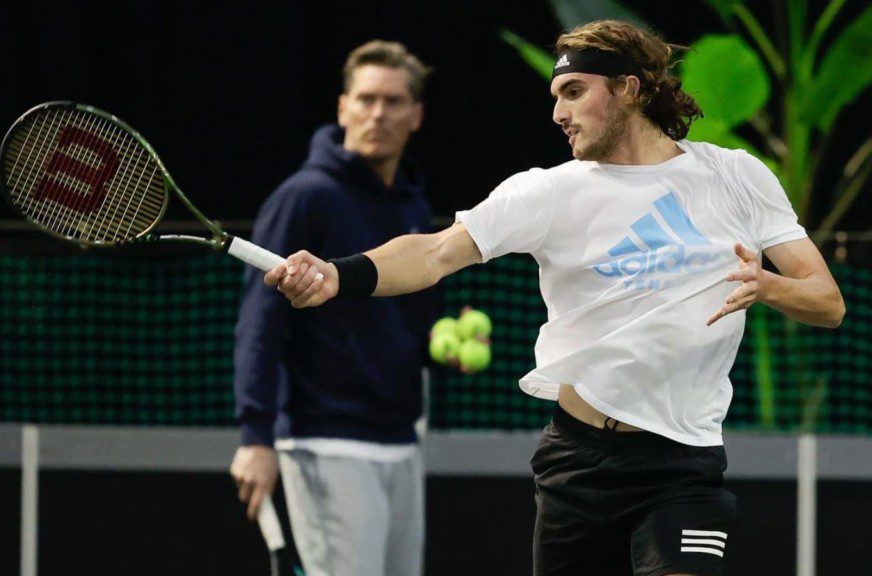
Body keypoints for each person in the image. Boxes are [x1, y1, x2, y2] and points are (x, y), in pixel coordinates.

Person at [264, 20, 846, 576]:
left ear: (628, 89)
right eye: (555, 96)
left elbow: (827, 301)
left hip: (681, 465)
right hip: (577, 463)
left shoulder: (737, 177)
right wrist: (340, 275)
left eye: (573, 91)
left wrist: (769, 286)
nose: (558, 114)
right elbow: (435, 252)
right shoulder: (547, 192)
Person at [229, 40, 435, 576]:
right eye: (365, 99)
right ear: (343, 107)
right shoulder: (305, 197)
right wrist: (256, 437)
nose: (377, 113)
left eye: (393, 102)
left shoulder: (413, 206)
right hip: (325, 441)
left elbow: (404, 321)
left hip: (402, 440)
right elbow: (260, 324)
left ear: (416, 116)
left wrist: (441, 345)